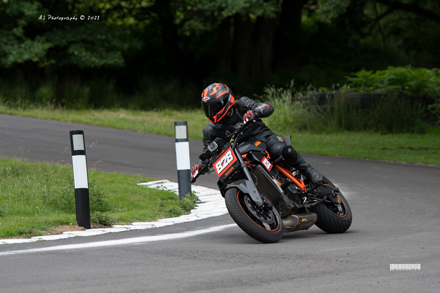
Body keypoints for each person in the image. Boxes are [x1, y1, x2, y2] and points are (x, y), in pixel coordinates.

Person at [191, 82, 323, 185]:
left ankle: (309, 171)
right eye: (208, 108)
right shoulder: (209, 130)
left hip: (263, 138)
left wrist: (255, 111)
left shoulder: (242, 104)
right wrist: (199, 165)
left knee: (282, 150)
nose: (211, 111)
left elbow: (266, 107)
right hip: (241, 153)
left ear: (226, 101)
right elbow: (208, 151)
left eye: (214, 107)